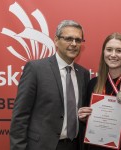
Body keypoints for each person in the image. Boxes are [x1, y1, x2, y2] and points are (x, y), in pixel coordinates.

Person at [10, 20, 90, 150]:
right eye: (69, 38)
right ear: (56, 40)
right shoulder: (36, 69)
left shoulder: (83, 74)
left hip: (74, 145)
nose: (74, 44)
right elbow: (20, 117)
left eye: (78, 40)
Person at [78, 32, 121, 150]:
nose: (113, 54)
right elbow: (89, 122)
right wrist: (84, 117)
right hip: (97, 146)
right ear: (103, 53)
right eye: (109, 49)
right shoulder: (93, 83)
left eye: (119, 51)